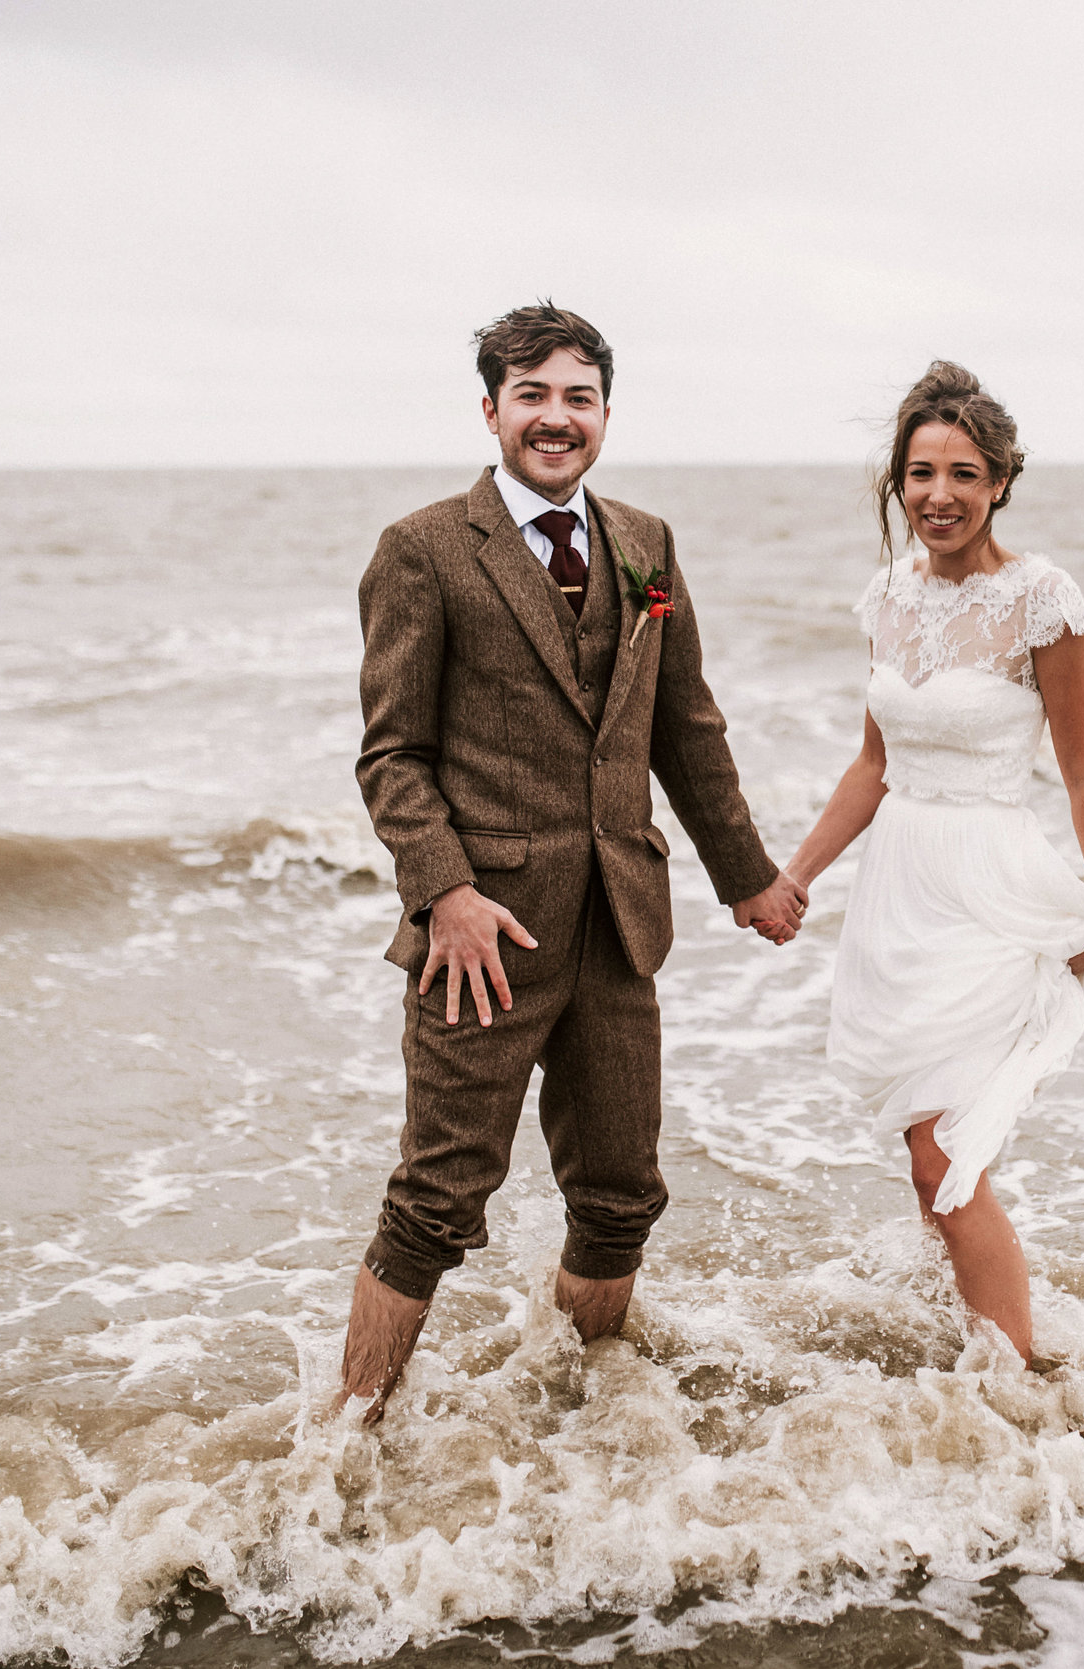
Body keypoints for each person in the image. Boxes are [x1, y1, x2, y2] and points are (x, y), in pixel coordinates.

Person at [336, 303, 808, 1422]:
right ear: (491, 410)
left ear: (604, 412)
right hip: (483, 937)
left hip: (619, 924)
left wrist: (747, 876)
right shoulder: (423, 549)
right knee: (436, 1200)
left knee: (618, 1196)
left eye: (578, 397)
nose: (557, 418)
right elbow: (391, 754)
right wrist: (444, 890)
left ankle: (583, 1418)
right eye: (533, 395)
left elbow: (684, 727)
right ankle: (345, 1441)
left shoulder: (646, 542)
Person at [777, 362, 1084, 1363]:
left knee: (946, 1157)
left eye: (963, 473)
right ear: (897, 479)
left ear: (1000, 482)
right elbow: (873, 764)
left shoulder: (1041, 598)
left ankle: (1016, 1379)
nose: (939, 495)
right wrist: (796, 874)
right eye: (921, 472)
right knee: (925, 1151)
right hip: (899, 896)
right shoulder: (884, 597)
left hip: (990, 888)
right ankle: (991, 1333)